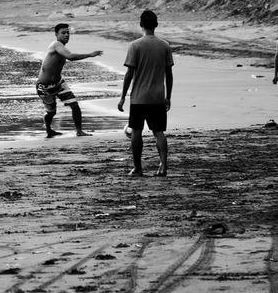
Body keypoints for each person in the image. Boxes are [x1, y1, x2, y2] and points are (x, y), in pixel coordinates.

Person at [117, 10, 174, 176]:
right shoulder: (164, 45)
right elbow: (169, 75)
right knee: (159, 133)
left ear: (141, 24)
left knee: (136, 131)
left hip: (139, 98)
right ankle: (163, 166)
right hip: (157, 96)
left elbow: (129, 74)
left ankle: (138, 168)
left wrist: (122, 97)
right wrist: (168, 97)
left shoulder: (135, 45)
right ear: (156, 25)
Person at [35, 23, 103, 137]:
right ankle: (48, 129)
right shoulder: (56, 44)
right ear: (56, 34)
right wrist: (90, 55)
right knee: (51, 112)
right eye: (63, 33)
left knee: (74, 105)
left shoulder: (61, 46)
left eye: (68, 33)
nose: (66, 35)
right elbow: (70, 56)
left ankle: (79, 131)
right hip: (44, 86)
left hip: (59, 83)